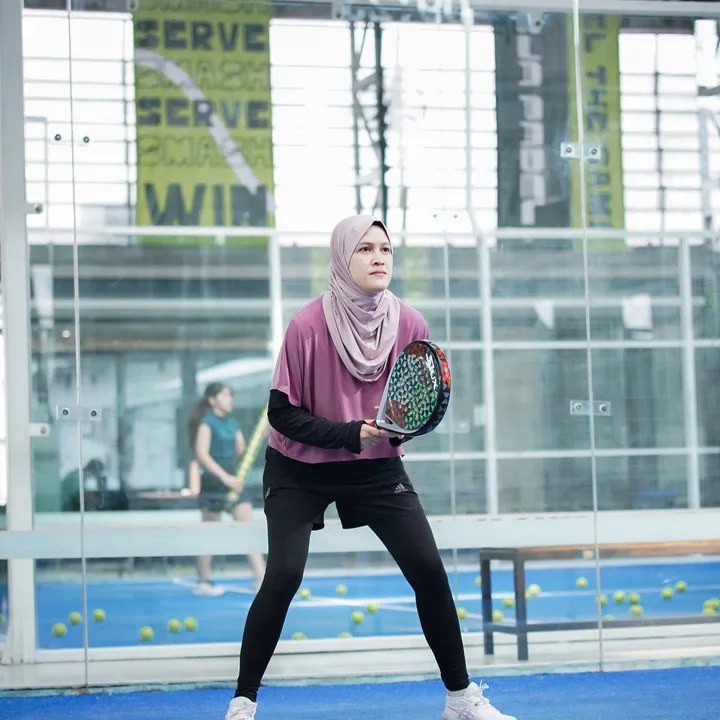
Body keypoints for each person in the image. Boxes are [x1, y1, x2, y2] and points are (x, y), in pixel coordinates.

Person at [224, 216, 516, 720]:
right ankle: (243, 702)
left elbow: (409, 406)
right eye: (364, 249)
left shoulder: (411, 324)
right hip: (298, 468)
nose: (379, 257)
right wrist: (349, 433)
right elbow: (281, 414)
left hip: (375, 467)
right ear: (342, 258)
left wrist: (396, 431)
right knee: (284, 575)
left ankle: (460, 700)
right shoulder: (306, 325)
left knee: (429, 571)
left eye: (385, 248)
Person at [188, 382, 266, 596]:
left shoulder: (232, 424)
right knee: (210, 534)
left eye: (231, 396)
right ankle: (203, 582)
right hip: (214, 484)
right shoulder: (206, 424)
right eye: (225, 396)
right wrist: (225, 478)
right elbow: (202, 455)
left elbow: (242, 451)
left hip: (234, 483)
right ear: (212, 400)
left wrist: (262, 436)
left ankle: (261, 579)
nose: (230, 400)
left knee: (248, 528)